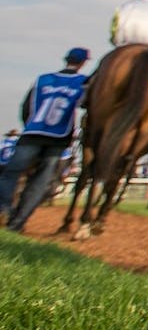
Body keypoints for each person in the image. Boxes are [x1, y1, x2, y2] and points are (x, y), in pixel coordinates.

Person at [0, 48, 93, 232]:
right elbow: (86, 106)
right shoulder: (82, 83)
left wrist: (29, 125)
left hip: (32, 133)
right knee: (41, 181)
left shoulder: (42, 79)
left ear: (66, 59)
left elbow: (26, 107)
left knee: (11, 174)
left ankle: (4, 208)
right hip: (58, 137)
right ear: (83, 63)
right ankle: (17, 223)